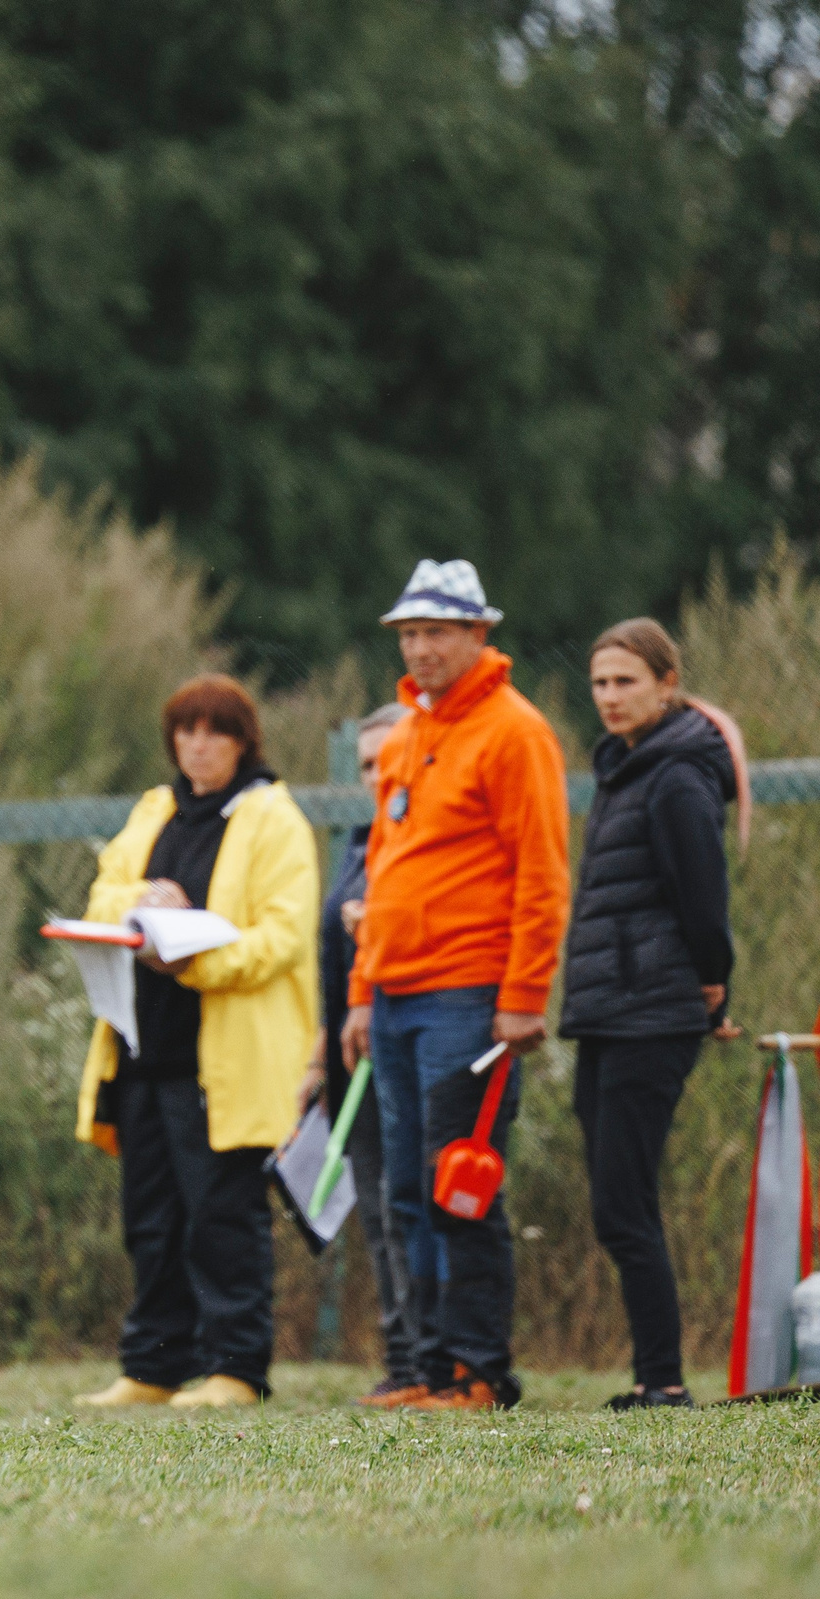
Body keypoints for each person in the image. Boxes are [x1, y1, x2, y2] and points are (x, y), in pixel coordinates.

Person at [343, 559, 571, 1412]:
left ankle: (480, 1371)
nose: (421, 647)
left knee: (459, 1182)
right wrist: (363, 992)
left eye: (437, 631)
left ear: (480, 634)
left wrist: (523, 996)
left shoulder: (516, 733)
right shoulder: (406, 731)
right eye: (409, 632)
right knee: (406, 1188)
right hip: (396, 997)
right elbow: (384, 867)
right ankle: (427, 1366)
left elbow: (542, 874)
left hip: (469, 998)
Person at [74, 675, 319, 1410]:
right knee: (151, 1218)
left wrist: (197, 954)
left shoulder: (275, 818)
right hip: (143, 1048)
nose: (197, 744)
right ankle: (152, 1366)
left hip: (224, 1062)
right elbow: (103, 895)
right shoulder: (155, 809)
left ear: (244, 741)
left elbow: (282, 934)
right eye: (185, 730)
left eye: (214, 731)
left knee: (224, 1220)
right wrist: (143, 901)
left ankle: (236, 1368)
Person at [560, 618, 749, 1411]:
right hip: (608, 1011)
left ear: (667, 684)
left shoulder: (673, 777)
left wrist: (713, 987)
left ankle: (662, 1378)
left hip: (653, 1010)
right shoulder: (628, 772)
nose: (609, 697)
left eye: (625, 681)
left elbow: (704, 898)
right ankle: (655, 1372)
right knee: (615, 1200)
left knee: (624, 1200)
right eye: (600, 683)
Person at [306, 702, 425, 1405]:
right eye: (368, 766)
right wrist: (321, 1055)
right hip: (352, 1051)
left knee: (405, 1200)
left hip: (408, 1041)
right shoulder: (359, 842)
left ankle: (436, 1355)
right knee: (375, 1211)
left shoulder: (422, 842)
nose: (379, 777)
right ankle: (402, 1357)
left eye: (390, 762)